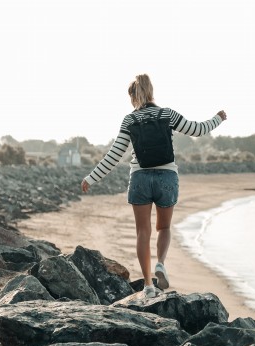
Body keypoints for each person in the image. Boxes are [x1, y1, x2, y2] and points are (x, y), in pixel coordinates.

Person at [81, 74, 227, 298]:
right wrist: (218, 118)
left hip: (140, 178)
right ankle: (160, 264)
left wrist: (91, 178)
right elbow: (198, 129)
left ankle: (148, 285)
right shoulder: (166, 114)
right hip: (167, 177)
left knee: (142, 232)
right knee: (164, 227)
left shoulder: (129, 120)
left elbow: (114, 155)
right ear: (151, 91)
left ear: (132, 96)